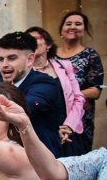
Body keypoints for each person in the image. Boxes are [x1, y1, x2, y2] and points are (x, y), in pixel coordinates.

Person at [0, 31, 67, 180]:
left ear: (30, 59)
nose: (4, 65)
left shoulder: (45, 84)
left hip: (43, 173)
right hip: (11, 171)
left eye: (12, 58)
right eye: (1, 59)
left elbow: (26, 108)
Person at [25, 26, 86, 155]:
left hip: (69, 132)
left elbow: (78, 98)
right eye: (28, 39)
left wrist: (69, 125)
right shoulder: (24, 72)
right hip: (42, 135)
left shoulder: (64, 66)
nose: (31, 42)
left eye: (35, 38)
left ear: (48, 44)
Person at [55, 11, 103, 157]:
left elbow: (96, 91)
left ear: (84, 29)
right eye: (68, 24)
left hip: (80, 118)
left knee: (76, 158)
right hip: (54, 113)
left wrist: (71, 96)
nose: (73, 27)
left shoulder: (90, 55)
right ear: (62, 29)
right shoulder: (50, 54)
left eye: (78, 24)